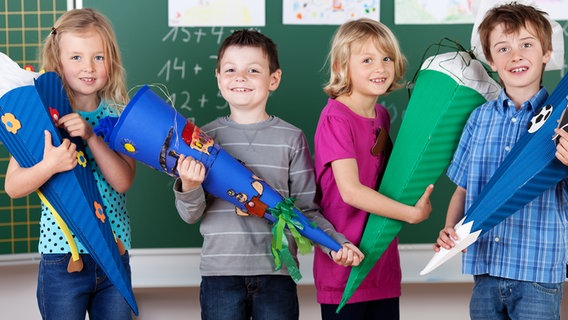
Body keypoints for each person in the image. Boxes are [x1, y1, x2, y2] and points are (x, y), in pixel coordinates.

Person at [173, 29, 365, 320]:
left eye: (253, 70)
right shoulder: (202, 139)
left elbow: (305, 211)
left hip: (277, 273)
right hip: (219, 274)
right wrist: (189, 185)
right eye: (230, 70)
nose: (240, 77)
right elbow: (190, 215)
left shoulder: (291, 138)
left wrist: (336, 244)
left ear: (273, 79)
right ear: (218, 78)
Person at [433, 3, 568, 319]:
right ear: (491, 61)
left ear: (546, 53)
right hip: (486, 270)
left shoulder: (563, 121)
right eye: (503, 48)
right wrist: (450, 228)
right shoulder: (479, 119)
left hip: (538, 271)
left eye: (526, 44)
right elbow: (464, 189)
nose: (516, 55)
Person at [4, 8, 136, 320]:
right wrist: (48, 166)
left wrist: (91, 137)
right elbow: (12, 186)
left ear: (111, 61)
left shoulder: (120, 116)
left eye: (99, 57)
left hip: (113, 251)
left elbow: (123, 182)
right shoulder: (40, 117)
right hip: (62, 256)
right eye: (76, 57)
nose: (88, 67)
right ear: (58, 61)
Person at [313, 18, 434, 320]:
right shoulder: (335, 118)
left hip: (381, 262)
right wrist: (411, 214)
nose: (379, 68)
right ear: (342, 67)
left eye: (386, 58)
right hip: (344, 264)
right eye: (366, 60)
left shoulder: (381, 114)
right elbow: (351, 191)